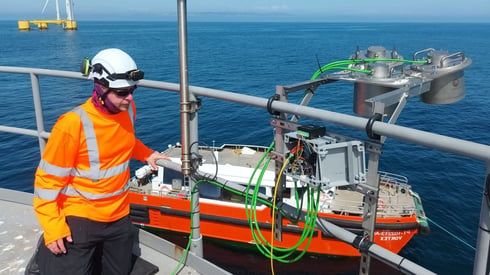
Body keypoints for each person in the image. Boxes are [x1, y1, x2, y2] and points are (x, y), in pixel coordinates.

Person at [32, 48, 168, 274]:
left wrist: (147, 153)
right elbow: (46, 183)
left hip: (119, 215)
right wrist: (53, 227)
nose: (130, 97)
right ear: (101, 88)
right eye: (122, 92)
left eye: (133, 90)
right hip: (81, 217)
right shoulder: (72, 126)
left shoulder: (127, 110)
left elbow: (125, 140)